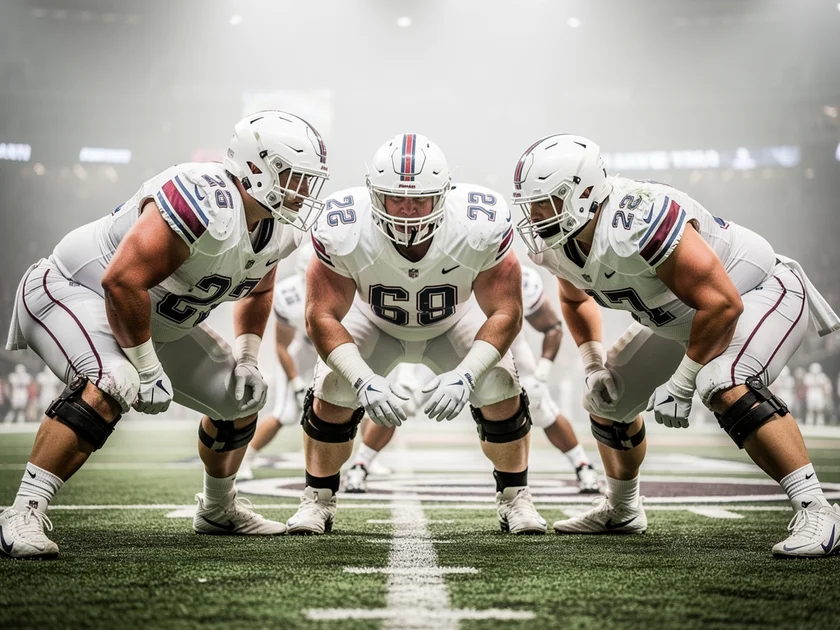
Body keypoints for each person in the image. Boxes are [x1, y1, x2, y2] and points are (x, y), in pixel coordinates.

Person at [0, 111, 330, 558]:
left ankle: (218, 509)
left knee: (241, 396)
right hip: (74, 291)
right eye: (295, 177)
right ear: (257, 168)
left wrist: (248, 356)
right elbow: (120, 281)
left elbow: (260, 287)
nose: (304, 191)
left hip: (155, 321)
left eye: (309, 181)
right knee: (115, 380)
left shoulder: (278, 228)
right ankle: (22, 511)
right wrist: (146, 364)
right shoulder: (204, 197)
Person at [512, 134, 840, 558]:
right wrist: (593, 364)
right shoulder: (557, 242)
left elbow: (722, 304)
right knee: (608, 398)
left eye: (547, 201)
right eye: (530, 203)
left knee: (722, 380)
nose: (535, 215)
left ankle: (818, 510)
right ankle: (623, 509)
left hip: (758, 292)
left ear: (584, 193)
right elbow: (574, 299)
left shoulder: (637, 220)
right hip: (685, 317)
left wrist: (682, 382)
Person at [286, 133, 545, 535]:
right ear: (376, 195)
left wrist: (466, 374)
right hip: (373, 320)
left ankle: (516, 499)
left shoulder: (478, 223)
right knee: (334, 387)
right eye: (397, 199)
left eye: (419, 200)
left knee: (499, 382)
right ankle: (317, 500)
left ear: (442, 195)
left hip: (453, 320)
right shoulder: (345, 225)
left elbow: (506, 311)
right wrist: (362, 379)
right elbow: (321, 316)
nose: (408, 212)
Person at [344, 265, 602, 494]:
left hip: (499, 344)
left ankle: (580, 466)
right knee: (400, 399)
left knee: (537, 402)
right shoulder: (438, 265)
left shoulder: (518, 276)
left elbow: (551, 326)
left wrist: (542, 372)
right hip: (442, 338)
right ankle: (361, 464)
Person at [238, 243, 317, 481]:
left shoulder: (347, 286)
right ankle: (245, 458)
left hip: (333, 352)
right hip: (304, 351)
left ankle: (363, 461)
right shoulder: (289, 295)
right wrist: (295, 383)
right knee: (285, 413)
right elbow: (282, 346)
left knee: (347, 408)